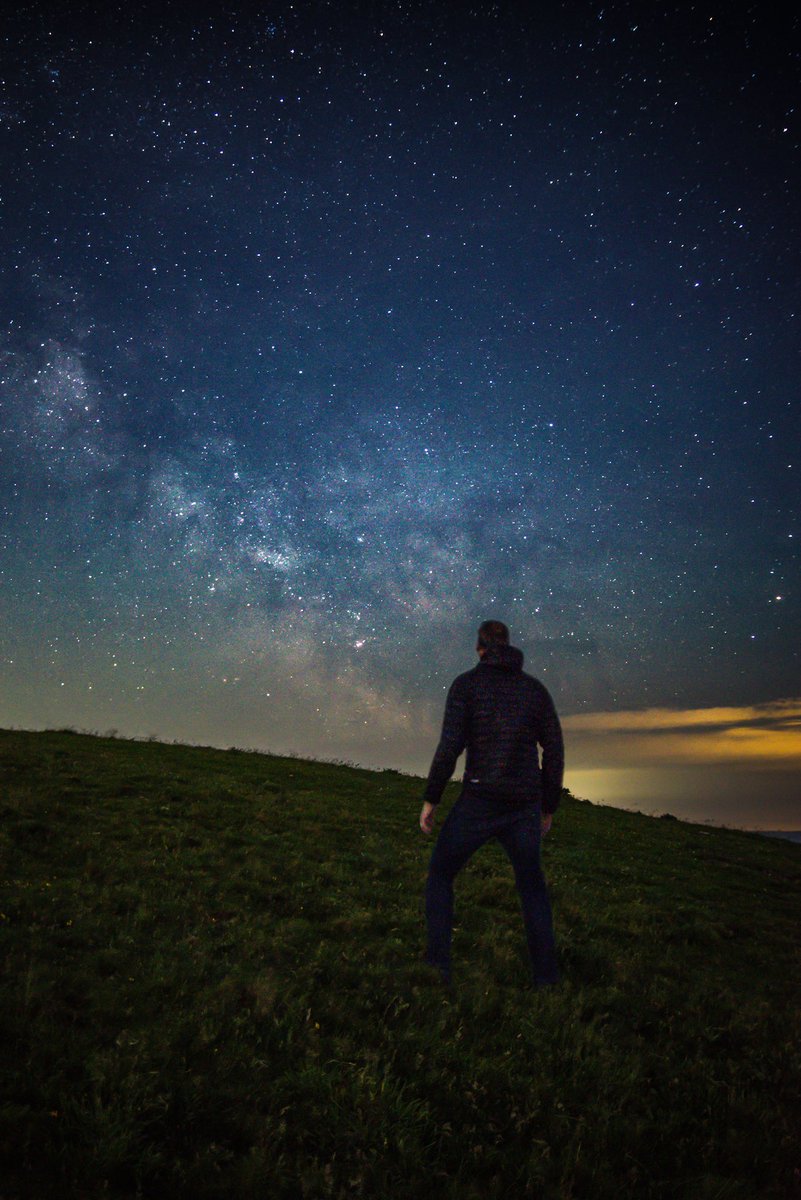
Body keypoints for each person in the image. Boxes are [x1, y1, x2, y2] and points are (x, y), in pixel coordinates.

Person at [419, 620, 564, 987]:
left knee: (440, 874)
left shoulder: (467, 685)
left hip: (480, 801)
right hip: (523, 805)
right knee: (532, 888)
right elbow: (555, 749)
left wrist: (431, 798)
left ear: (480, 647)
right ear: (508, 646)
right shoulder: (535, 691)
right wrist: (548, 805)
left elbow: (450, 747)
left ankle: (437, 968)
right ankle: (547, 980)